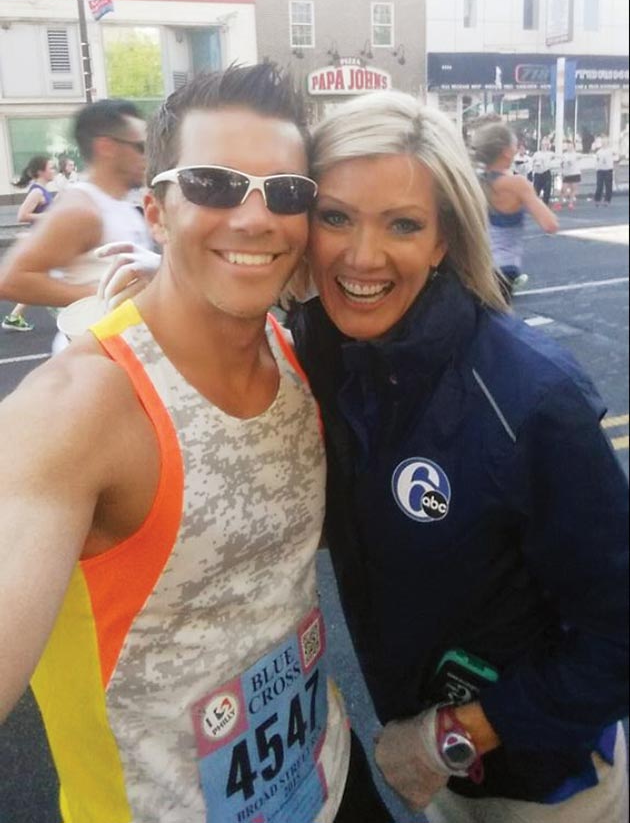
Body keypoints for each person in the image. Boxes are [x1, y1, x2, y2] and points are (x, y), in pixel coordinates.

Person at [100, 90, 629, 823]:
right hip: (426, 770)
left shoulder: (532, 398)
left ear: (444, 240)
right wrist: (155, 297)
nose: (362, 255)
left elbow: (617, 632)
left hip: (547, 784)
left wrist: (457, 733)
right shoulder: (313, 350)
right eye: (336, 217)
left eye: (403, 225)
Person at [0, 65, 393, 823]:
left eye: (286, 193)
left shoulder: (297, 351)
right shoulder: (78, 409)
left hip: (331, 780)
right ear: (156, 209)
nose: (256, 219)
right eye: (214, 184)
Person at [0, 99, 151, 349]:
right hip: (92, 359)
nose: (147, 157)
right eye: (141, 147)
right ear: (107, 147)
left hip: (121, 352)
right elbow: (10, 280)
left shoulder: (119, 203)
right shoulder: (81, 209)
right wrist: (105, 295)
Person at [469, 121, 558, 302]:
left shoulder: (472, 182)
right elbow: (550, 225)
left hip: (474, 267)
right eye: (515, 144)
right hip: (503, 268)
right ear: (507, 151)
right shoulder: (517, 184)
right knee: (498, 323)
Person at [2, 155, 56, 333]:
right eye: (51, 167)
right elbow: (22, 215)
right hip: (41, 241)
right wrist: (46, 217)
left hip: (45, 239)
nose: (54, 170)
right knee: (47, 279)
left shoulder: (43, 190)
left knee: (45, 279)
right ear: (41, 171)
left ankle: (15, 316)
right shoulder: (37, 192)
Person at [530, 137, 553, 206]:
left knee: (547, 190)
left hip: (546, 172)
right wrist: (535, 165)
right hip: (538, 174)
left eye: (546, 144)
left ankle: (545, 205)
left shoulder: (550, 154)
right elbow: (532, 162)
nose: (544, 146)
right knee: (536, 190)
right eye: (543, 144)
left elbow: (559, 158)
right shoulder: (536, 154)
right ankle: (535, 205)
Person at [594, 136, 615, 205]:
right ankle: (597, 199)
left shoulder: (611, 150)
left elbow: (616, 156)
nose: (604, 143)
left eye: (605, 142)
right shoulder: (599, 151)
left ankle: (607, 200)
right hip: (600, 170)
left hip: (608, 169)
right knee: (599, 185)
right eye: (603, 142)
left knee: (608, 185)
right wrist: (596, 168)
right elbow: (596, 160)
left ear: (607, 143)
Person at [560, 141, 581, 208]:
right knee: (563, 189)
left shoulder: (577, 155)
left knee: (573, 189)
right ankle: (560, 202)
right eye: (568, 146)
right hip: (567, 174)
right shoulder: (564, 155)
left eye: (571, 146)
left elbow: (581, 157)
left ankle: (571, 203)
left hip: (575, 173)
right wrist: (564, 165)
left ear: (574, 147)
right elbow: (561, 164)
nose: (570, 148)